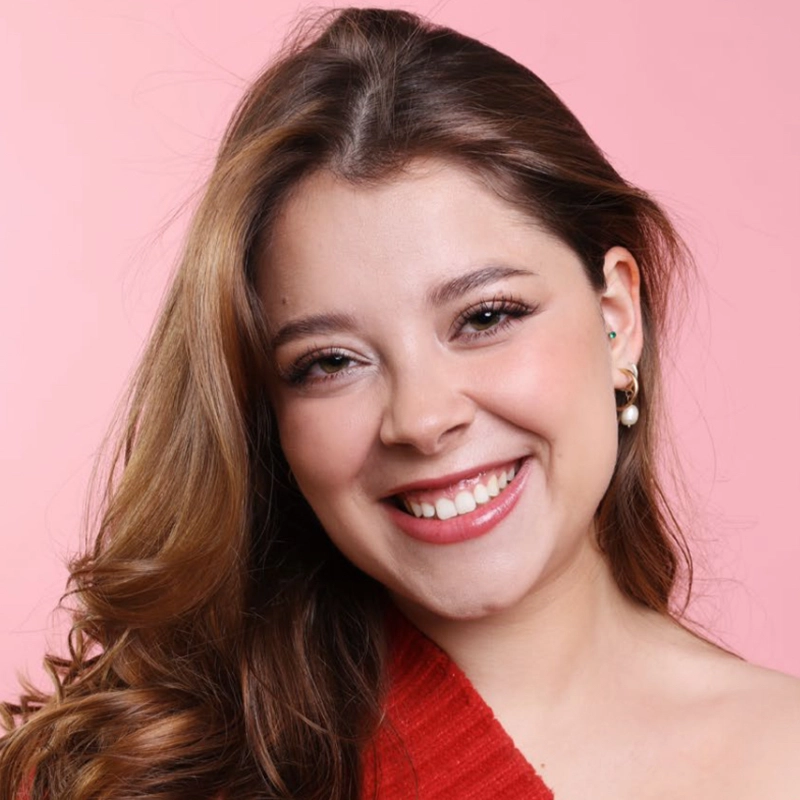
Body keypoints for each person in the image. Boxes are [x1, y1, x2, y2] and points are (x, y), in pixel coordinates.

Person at [2, 7, 799, 799]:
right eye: (331, 362)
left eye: (487, 317)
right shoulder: (127, 773)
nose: (421, 419)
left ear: (615, 319)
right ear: (269, 414)